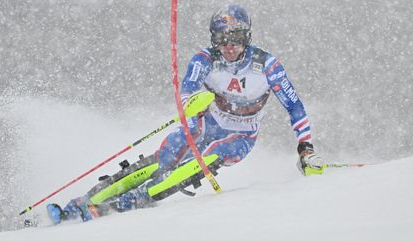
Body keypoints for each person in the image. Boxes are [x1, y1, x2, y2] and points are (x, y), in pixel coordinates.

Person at [46, 4, 324, 224]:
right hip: (204, 125)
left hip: (241, 136)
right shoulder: (205, 59)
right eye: (222, 39)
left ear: (247, 37)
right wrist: (192, 107)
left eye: (236, 39)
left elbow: (294, 105)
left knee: (202, 161)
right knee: (162, 161)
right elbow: (187, 89)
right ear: (214, 39)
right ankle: (81, 204)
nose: (229, 47)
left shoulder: (266, 65)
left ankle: (125, 204)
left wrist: (305, 147)